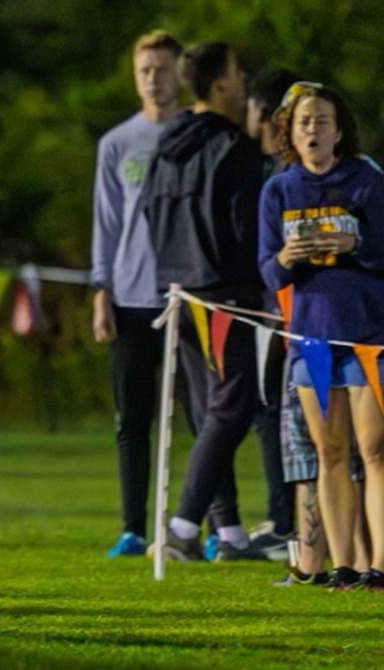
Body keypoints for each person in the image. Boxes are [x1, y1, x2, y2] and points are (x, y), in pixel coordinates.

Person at [144, 41, 267, 562]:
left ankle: (231, 533)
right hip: (224, 292)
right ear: (220, 84)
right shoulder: (234, 148)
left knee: (208, 411)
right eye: (238, 75)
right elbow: (245, 229)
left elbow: (150, 214)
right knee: (233, 407)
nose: (242, 85)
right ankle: (182, 527)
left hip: (176, 289)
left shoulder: (166, 142)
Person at [258, 82, 384, 590]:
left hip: (369, 334)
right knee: (329, 454)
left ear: (339, 130)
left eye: (323, 120)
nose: (313, 129)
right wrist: (286, 259)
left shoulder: (367, 179)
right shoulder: (279, 190)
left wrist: (355, 242)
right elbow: (267, 272)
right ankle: (343, 568)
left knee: (375, 451)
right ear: (289, 130)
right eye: (304, 121)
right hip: (311, 337)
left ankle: (378, 566)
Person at [90, 30, 184, 558]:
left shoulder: (197, 135)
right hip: (129, 297)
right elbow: (106, 222)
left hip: (188, 298)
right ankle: (133, 527)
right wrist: (100, 289)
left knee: (202, 416)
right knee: (132, 419)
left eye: (162, 69)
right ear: (135, 75)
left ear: (179, 74)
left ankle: (206, 527)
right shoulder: (117, 144)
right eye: (145, 69)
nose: (153, 79)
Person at [240, 68, 301, 560]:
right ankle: (289, 517)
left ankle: (287, 522)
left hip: (281, 313)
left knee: (274, 412)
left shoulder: (282, 178)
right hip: (280, 311)